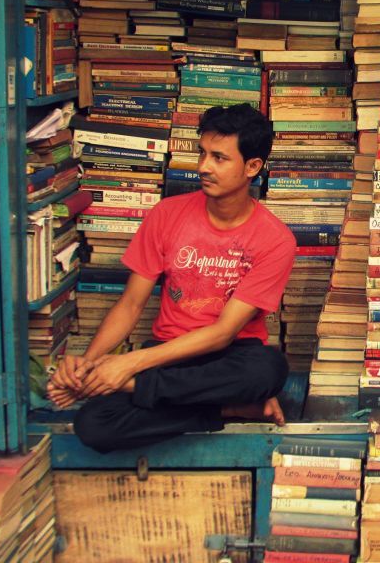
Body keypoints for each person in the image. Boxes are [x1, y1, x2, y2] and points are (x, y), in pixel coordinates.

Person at [47, 103, 296, 453]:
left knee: (267, 372)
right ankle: (228, 410)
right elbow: (131, 304)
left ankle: (135, 387)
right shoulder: (166, 215)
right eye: (202, 154)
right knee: (94, 425)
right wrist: (88, 369)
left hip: (229, 359)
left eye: (219, 158)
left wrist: (127, 371)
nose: (203, 167)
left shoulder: (275, 240)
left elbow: (223, 333)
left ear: (252, 166)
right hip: (167, 357)